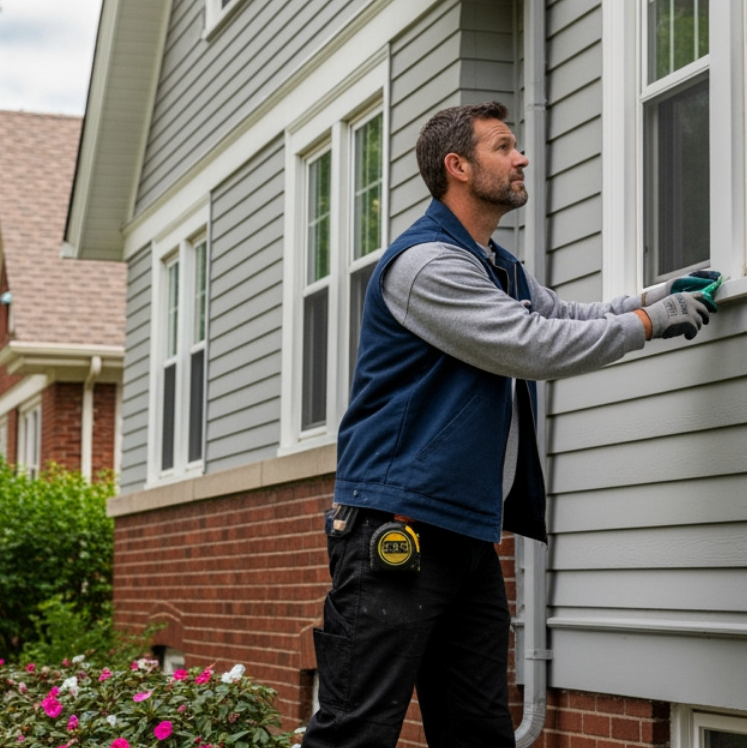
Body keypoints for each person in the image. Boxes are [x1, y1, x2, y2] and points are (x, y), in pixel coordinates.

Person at [302, 101, 719, 748]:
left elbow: (568, 318)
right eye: (504, 147)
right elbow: (532, 345)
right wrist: (648, 326)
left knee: (478, 732)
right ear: (458, 167)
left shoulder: (495, 265)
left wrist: (654, 299)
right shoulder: (426, 265)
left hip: (465, 536)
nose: (522, 157)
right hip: (398, 529)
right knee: (355, 732)